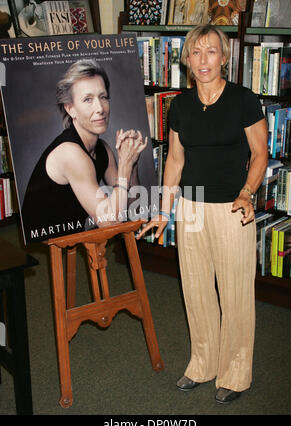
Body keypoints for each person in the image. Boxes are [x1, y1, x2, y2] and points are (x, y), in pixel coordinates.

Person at [137, 24, 268, 404]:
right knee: (195, 290)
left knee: (235, 293)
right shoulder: (179, 105)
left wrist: (247, 193)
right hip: (190, 205)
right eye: (196, 52)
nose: (203, 59)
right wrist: (164, 212)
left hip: (231, 205)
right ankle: (203, 363)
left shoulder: (243, 99)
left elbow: (259, 153)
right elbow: (175, 161)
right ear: (187, 60)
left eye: (211, 51)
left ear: (224, 58)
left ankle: (236, 372)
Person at [21, 59, 147, 243]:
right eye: (88, 99)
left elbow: (134, 205)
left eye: (103, 97)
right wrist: (125, 164)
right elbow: (110, 222)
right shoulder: (70, 153)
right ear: (70, 109)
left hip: (78, 228)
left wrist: (133, 161)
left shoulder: (102, 149)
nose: (100, 108)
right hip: (46, 240)